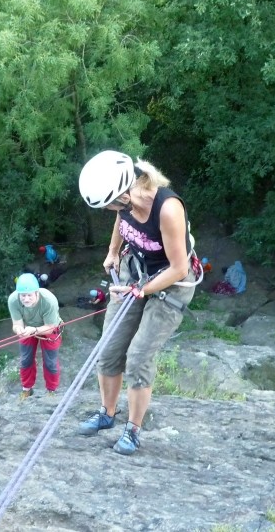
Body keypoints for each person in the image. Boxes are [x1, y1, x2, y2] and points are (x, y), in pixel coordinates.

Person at [77, 150, 200, 455]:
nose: (109, 210)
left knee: (138, 357)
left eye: (109, 203)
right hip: (136, 273)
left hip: (172, 284)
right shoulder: (126, 202)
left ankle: (132, 430)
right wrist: (113, 252)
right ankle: (106, 414)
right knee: (108, 351)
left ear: (124, 192)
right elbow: (122, 222)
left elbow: (178, 267)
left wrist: (143, 291)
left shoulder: (167, 208)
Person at [7, 272, 63, 400]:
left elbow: (50, 327)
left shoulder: (48, 301)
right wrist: (19, 330)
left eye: (29, 295)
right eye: (23, 295)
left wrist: (34, 330)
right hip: (28, 329)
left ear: (37, 292)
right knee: (25, 360)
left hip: (48, 328)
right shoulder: (13, 300)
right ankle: (27, 389)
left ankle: (51, 391)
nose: (26, 299)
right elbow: (16, 323)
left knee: (51, 362)